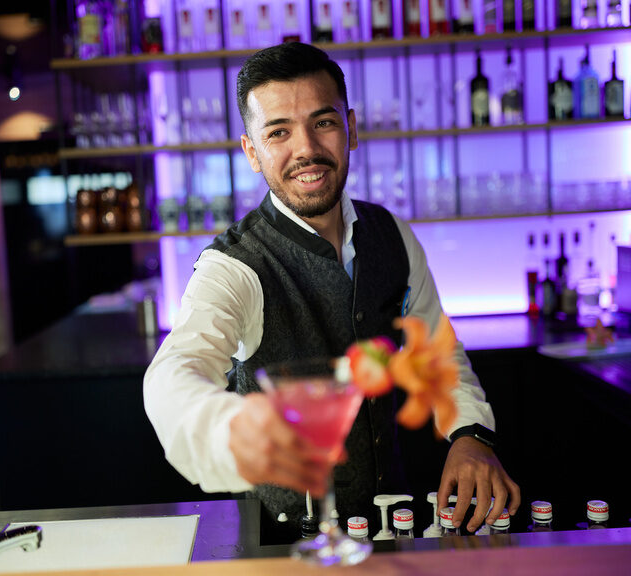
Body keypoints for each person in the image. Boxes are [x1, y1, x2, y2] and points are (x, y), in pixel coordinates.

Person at [144, 41, 520, 540]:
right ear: (252, 152)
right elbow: (173, 373)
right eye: (279, 132)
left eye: (322, 122)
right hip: (285, 547)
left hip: (392, 532)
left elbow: (437, 350)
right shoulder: (233, 267)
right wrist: (230, 430)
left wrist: (471, 434)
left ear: (351, 128)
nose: (306, 149)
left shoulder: (392, 235)